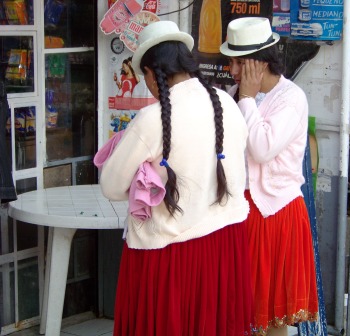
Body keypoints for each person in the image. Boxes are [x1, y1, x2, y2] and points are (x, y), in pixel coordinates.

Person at [98, 20, 253, 336]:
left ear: (152, 75)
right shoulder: (226, 103)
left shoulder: (150, 120)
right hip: (225, 245)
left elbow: (111, 186)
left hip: (170, 255)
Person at [220, 17, 319, 336]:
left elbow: (262, 148)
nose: (232, 70)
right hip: (240, 211)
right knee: (240, 310)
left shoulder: (291, 98)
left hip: (275, 213)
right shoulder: (234, 93)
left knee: (272, 316)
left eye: (237, 62)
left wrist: (247, 99)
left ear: (256, 63)